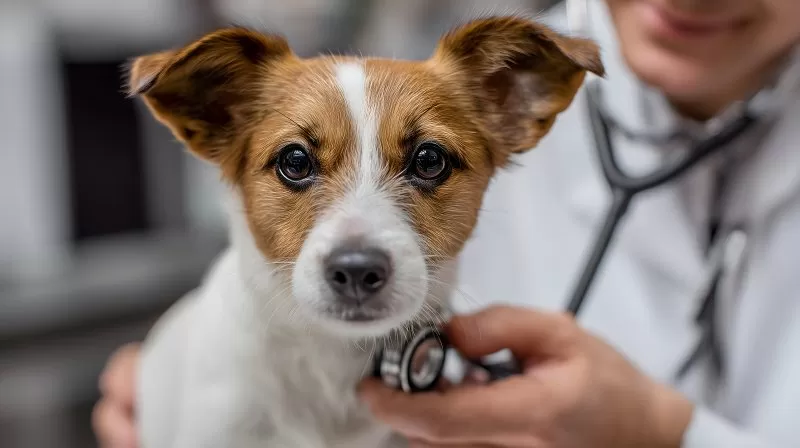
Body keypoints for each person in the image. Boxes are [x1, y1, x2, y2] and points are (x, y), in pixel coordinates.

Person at [94, 0, 800, 446]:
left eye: (427, 162)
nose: (357, 250)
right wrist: (151, 381)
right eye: (297, 164)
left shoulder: (505, 77)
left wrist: (660, 431)